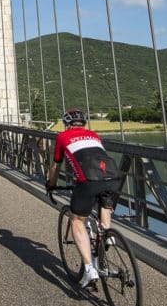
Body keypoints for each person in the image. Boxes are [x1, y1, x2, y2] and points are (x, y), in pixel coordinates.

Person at [46, 108, 121, 289]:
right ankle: (107, 233)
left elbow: (56, 166)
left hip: (88, 181)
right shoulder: (94, 135)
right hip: (113, 178)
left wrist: (51, 184)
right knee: (105, 199)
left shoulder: (63, 137)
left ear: (66, 124)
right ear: (84, 123)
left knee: (77, 220)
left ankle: (89, 270)